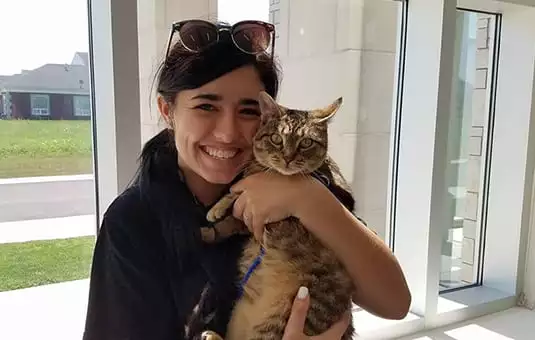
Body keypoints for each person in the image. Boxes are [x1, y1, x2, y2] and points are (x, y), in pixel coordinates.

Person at [83, 19, 411, 340]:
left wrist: (309, 199)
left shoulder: (298, 184)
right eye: (206, 107)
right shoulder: (135, 222)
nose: (228, 133)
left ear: (270, 115)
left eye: (248, 111)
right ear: (168, 111)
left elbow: (395, 302)